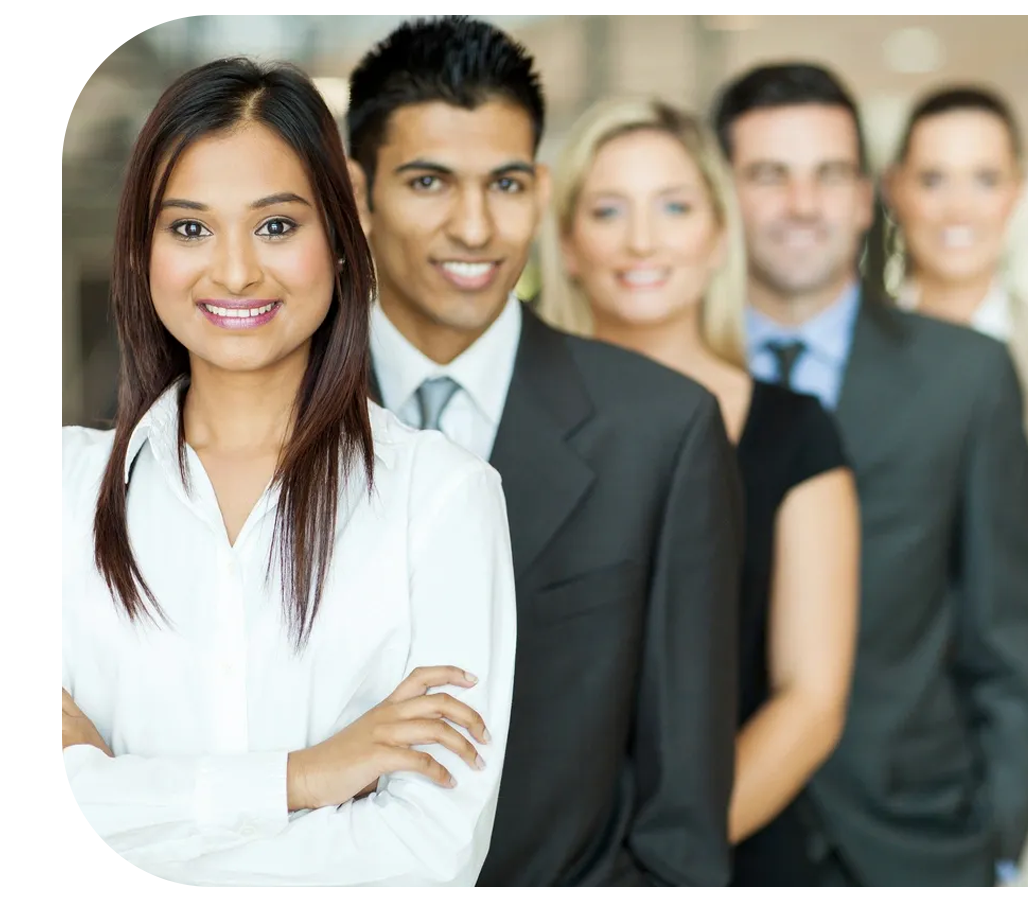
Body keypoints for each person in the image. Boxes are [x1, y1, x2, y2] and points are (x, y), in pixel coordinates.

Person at [60, 57, 518, 890]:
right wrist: (302, 778)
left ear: (341, 241)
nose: (235, 272)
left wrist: (114, 811)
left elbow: (423, 857)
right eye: (189, 228)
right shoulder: (28, 492)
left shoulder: (446, 497)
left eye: (276, 226)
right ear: (141, 251)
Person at [347, 15, 744, 894]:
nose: (476, 225)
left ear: (542, 188)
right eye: (428, 181)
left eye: (506, 182)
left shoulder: (662, 430)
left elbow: (683, 809)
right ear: (356, 194)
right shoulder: (263, 413)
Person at [712, 62, 1028, 893]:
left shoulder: (969, 376)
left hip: (917, 840)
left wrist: (999, 833)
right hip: (716, 831)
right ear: (722, 193)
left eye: (830, 174)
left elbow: (1004, 632)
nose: (804, 204)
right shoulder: (671, 380)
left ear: (864, 195)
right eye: (769, 175)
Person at [536, 95, 860, 892]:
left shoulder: (795, 431)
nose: (642, 240)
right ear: (569, 244)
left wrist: (652, 864)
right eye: (609, 210)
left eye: (674, 207)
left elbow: (811, 700)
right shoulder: (506, 424)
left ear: (719, 236)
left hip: (729, 858)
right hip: (532, 862)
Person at [882, 84, 1028, 432]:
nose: (959, 209)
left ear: (1018, 188)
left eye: (986, 180)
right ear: (894, 188)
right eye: (933, 180)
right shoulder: (850, 344)